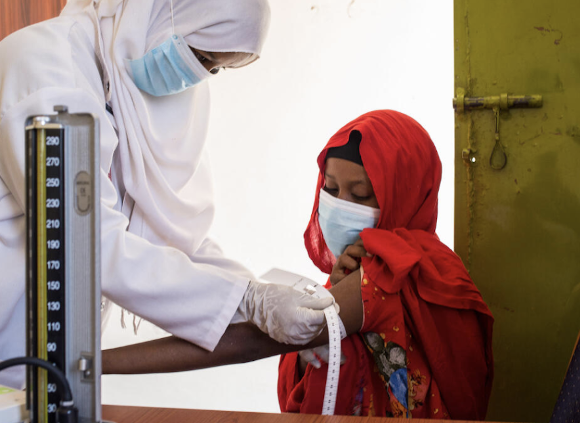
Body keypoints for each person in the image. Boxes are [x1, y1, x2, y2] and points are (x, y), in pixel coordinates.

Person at [0, 0, 333, 389]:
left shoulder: (126, 91)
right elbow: (90, 244)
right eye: (202, 56)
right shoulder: (48, 72)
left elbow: (169, 231)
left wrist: (267, 305)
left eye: (215, 68)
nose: (199, 76)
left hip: (42, 364)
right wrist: (248, 301)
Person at [277, 110, 495, 419]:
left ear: (404, 195)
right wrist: (305, 350)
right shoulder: (347, 273)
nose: (341, 205)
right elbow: (295, 379)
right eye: (331, 189)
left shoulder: (420, 269)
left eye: (361, 193)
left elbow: (463, 389)